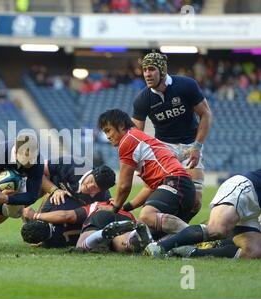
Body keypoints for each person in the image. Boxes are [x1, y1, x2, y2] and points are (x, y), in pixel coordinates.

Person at [132, 51, 212, 217]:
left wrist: (197, 146)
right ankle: (163, 231)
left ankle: (179, 234)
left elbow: (206, 114)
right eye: (145, 69)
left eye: (151, 69)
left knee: (195, 202)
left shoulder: (186, 85)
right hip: (164, 149)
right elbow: (134, 135)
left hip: (191, 145)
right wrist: (138, 161)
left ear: (162, 70)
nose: (147, 74)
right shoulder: (142, 99)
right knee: (163, 193)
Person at [98, 109, 196, 237]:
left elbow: (124, 185)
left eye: (108, 130)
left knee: (147, 215)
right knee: (148, 235)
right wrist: (126, 207)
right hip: (181, 188)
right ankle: (193, 240)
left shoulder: (128, 140)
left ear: (121, 125)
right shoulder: (139, 139)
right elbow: (149, 188)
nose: (108, 136)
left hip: (175, 182)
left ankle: (199, 235)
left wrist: (115, 206)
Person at [145, 169, 261, 259]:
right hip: (245, 189)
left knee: (253, 251)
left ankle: (189, 252)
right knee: (217, 229)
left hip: (255, 206)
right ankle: (160, 247)